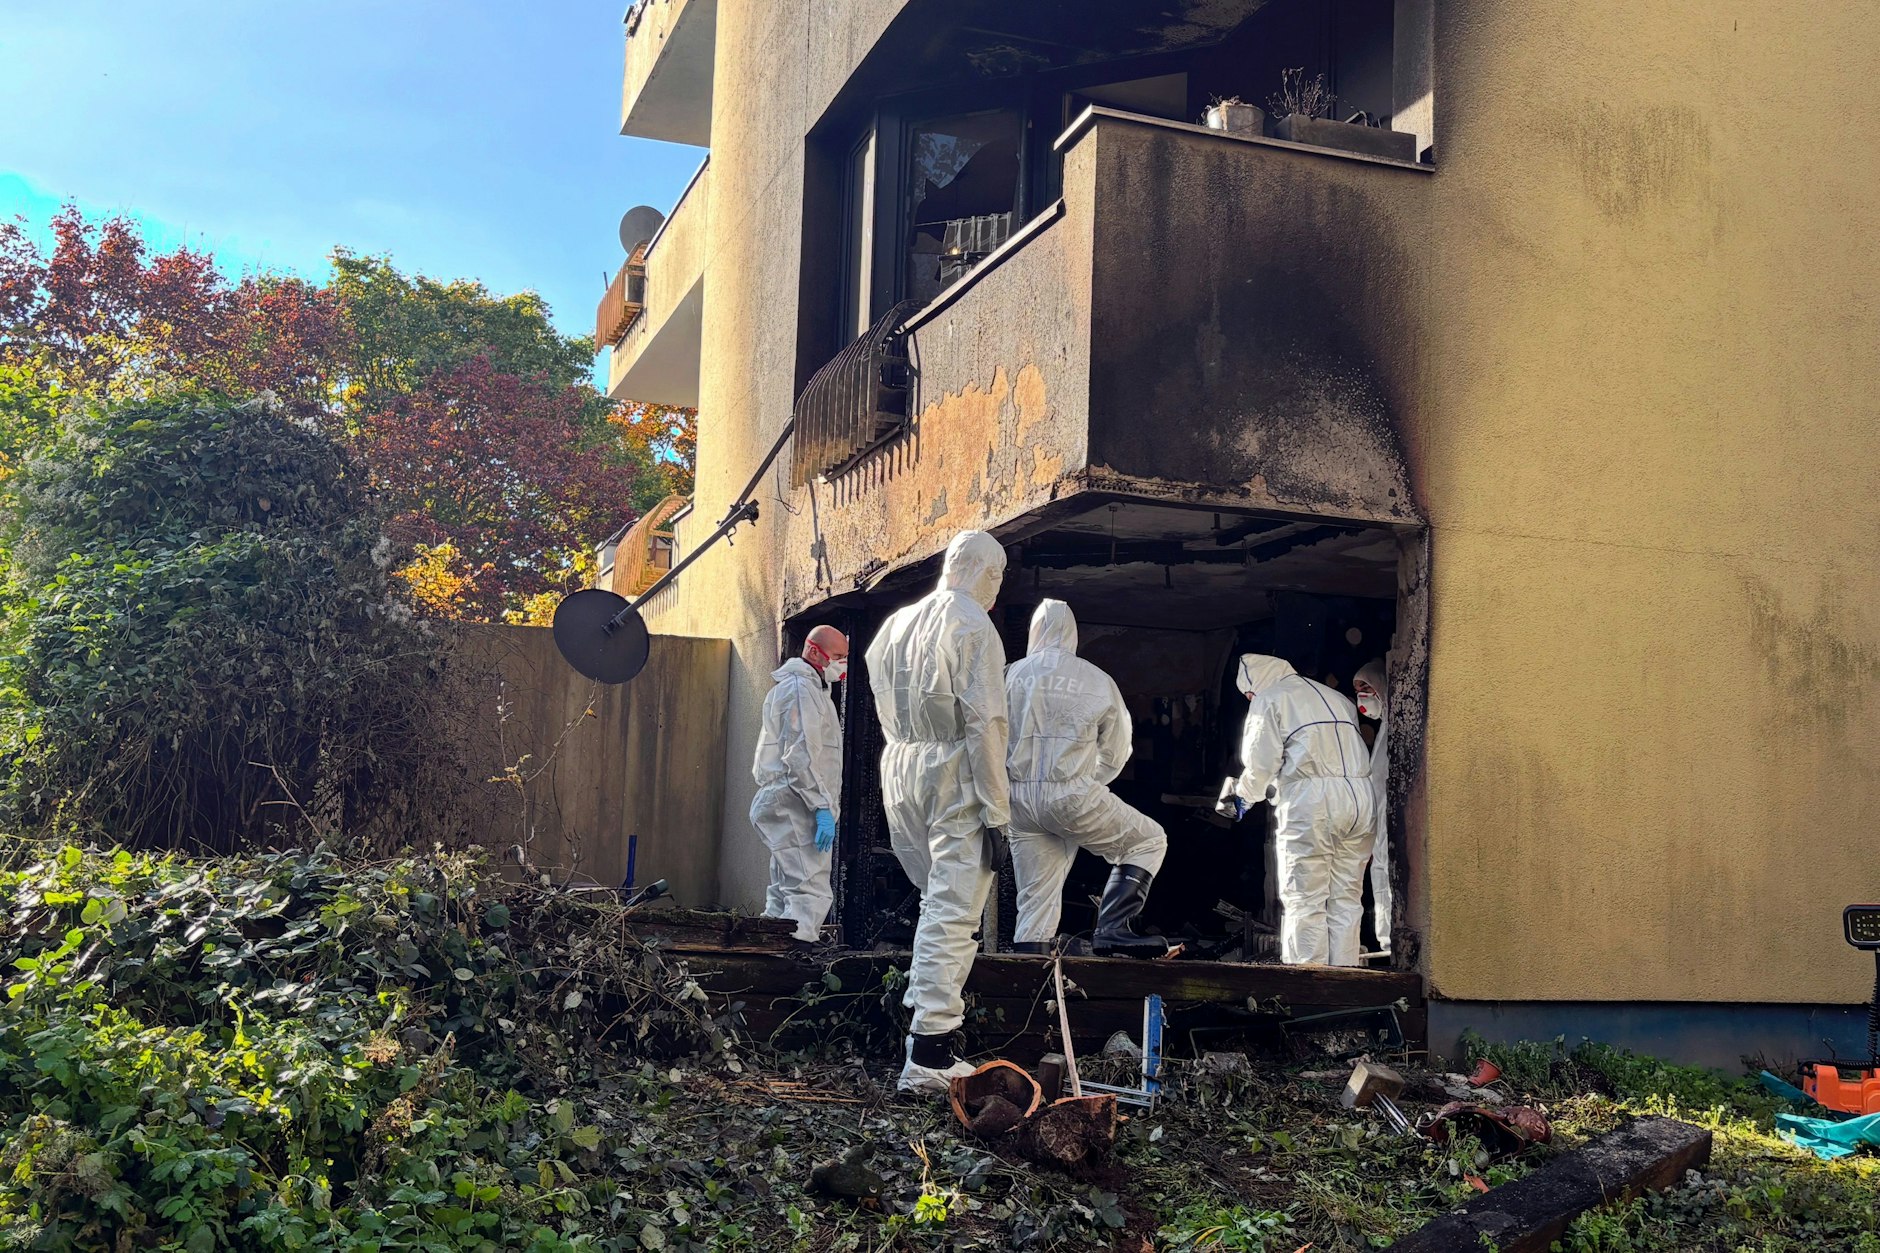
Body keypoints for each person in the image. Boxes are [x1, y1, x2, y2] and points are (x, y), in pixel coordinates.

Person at [865, 530, 1011, 1095]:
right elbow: (986, 723)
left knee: (935, 904)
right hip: (954, 773)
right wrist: (997, 812)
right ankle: (929, 1051)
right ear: (984, 572)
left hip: (902, 765)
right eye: (997, 576)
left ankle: (923, 1038)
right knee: (953, 913)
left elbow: (882, 697)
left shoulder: (896, 622)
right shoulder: (973, 624)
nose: (997, 588)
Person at [1004, 599, 1171, 958]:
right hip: (1070, 793)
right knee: (1147, 841)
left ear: (1033, 633)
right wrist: (1091, 781)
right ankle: (1112, 928)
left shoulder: (1009, 674)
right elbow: (1118, 747)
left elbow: (983, 734)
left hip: (1016, 800)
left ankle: (1028, 974)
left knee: (1036, 901)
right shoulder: (1095, 678)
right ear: (1073, 635)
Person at [1221, 654, 1376, 966]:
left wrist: (1241, 797)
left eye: (1249, 694)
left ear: (1256, 684)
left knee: (1305, 896)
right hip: (1360, 797)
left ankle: (1308, 981)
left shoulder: (1270, 698)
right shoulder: (1335, 697)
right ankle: (1344, 977)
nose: (1250, 699)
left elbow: (1260, 763)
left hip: (1314, 801)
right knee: (1346, 897)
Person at [749, 625, 848, 944]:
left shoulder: (809, 689)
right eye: (838, 657)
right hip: (797, 804)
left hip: (790, 801)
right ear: (814, 651)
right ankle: (795, 966)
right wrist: (821, 805)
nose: (841, 665)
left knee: (782, 892)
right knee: (809, 891)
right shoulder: (801, 689)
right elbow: (800, 755)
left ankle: (769, 955)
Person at [1353, 660, 1391, 956]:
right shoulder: (1384, 729)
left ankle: (1390, 940)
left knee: (1387, 872)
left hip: (1390, 815)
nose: (1362, 696)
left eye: (1367, 688)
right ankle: (1386, 939)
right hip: (1379, 815)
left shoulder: (1395, 728)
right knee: (1380, 871)